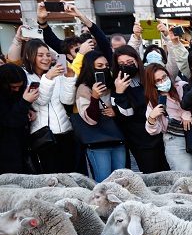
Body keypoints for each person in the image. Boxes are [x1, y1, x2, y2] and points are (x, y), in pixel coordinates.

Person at [22, 38, 77, 173]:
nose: (46, 59)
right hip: (42, 135)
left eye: (47, 55)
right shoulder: (25, 76)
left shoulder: (56, 73)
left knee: (71, 173)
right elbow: (40, 101)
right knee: (51, 176)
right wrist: (48, 78)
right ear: (28, 56)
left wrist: (70, 78)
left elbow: (68, 100)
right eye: (40, 55)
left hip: (65, 131)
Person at [74, 52, 125, 181]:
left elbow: (125, 110)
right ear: (90, 67)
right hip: (97, 143)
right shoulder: (84, 89)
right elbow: (91, 119)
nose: (104, 69)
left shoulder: (113, 85)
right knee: (104, 182)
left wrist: (115, 111)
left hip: (117, 139)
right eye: (99, 66)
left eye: (106, 66)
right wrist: (95, 97)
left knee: (121, 180)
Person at [144, 63, 192, 174]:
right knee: (186, 176)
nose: (163, 81)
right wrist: (152, 117)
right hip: (174, 139)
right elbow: (153, 131)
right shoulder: (153, 101)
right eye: (158, 80)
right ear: (152, 84)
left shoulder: (182, 87)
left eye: (164, 77)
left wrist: (186, 112)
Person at [0, 63, 40, 173]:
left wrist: (28, 109)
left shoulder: (16, 94)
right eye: (13, 87)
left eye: (19, 87)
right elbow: (10, 120)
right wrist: (25, 102)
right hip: (6, 153)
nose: (17, 90)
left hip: (21, 148)